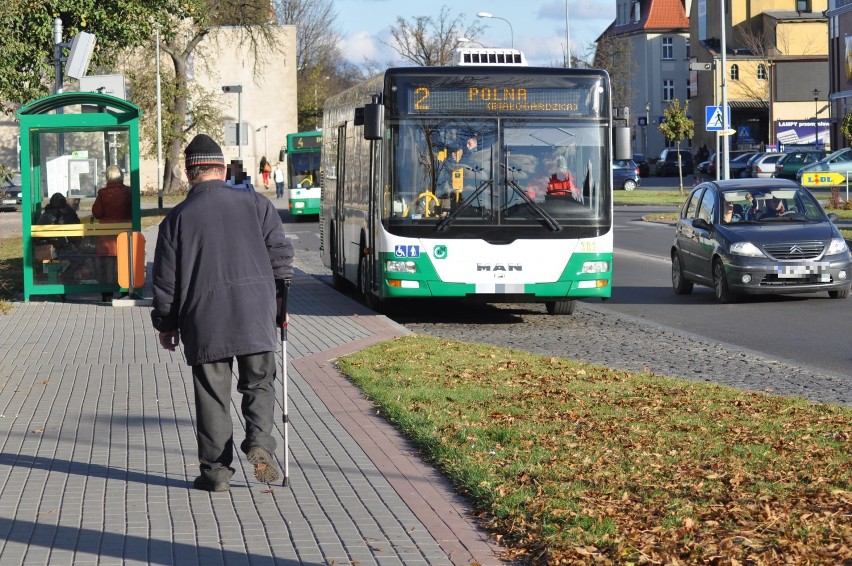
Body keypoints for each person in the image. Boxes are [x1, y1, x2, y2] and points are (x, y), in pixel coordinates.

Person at [151, 134, 295, 492]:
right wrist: (280, 308)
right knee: (259, 384)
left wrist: (166, 324)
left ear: (188, 173)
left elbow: (165, 281)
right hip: (255, 314)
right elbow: (281, 259)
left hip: (204, 320)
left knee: (212, 397)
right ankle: (260, 442)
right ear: (223, 168)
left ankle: (215, 473)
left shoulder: (176, 220)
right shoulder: (257, 205)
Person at [92, 165, 133, 299]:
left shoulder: (103, 193)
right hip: (125, 234)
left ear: (108, 177)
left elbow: (97, 212)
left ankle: (107, 294)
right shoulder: (128, 191)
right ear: (120, 176)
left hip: (106, 236)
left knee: (107, 266)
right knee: (124, 263)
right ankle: (125, 291)